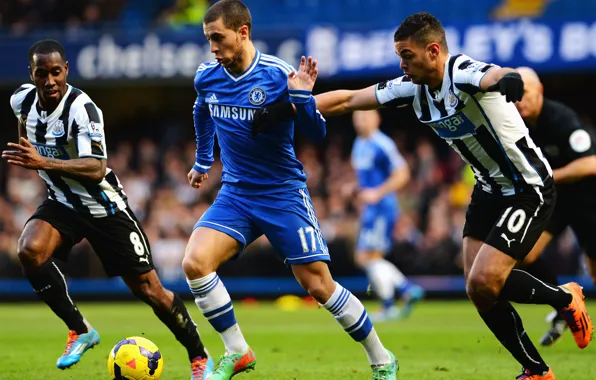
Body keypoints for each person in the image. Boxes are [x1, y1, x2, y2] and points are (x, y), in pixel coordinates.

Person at [298, 12, 592, 380]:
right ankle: (536, 369)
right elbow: (347, 100)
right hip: (488, 189)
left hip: (526, 188)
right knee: (478, 289)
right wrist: (291, 106)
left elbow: (493, 74)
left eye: (407, 55)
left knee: (485, 281)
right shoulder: (411, 87)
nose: (401, 65)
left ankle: (565, 298)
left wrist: (511, 79)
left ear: (433, 51)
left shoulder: (462, 71)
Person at [181, 1, 398, 379]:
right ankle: (238, 351)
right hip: (236, 193)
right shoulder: (207, 75)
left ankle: (382, 358)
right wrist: (203, 159)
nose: (213, 48)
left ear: (242, 32)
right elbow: (202, 109)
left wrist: (300, 97)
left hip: (282, 193)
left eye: (218, 38)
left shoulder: (278, 75)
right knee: (195, 264)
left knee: (319, 286)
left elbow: (315, 134)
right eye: (208, 40)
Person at [2, 39, 213, 380]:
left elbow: (97, 167)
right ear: (32, 74)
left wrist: (43, 161)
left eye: (57, 72)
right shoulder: (21, 100)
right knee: (29, 250)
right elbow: (23, 127)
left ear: (66, 70)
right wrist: (30, 153)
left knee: (150, 291)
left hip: (104, 208)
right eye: (42, 73)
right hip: (63, 202)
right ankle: (80, 329)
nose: (51, 80)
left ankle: (199, 357)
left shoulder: (83, 109)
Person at [515, 66, 596, 346]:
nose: (518, 101)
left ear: (539, 91)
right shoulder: (518, 125)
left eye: (523, 94)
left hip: (588, 200)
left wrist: (547, 176)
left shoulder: (560, 118)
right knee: (525, 253)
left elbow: (591, 163)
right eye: (514, 96)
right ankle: (564, 305)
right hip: (556, 201)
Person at [350, 109, 424, 321]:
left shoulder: (382, 144)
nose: (360, 121)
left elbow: (402, 174)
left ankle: (391, 303)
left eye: (365, 116)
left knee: (368, 256)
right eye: (357, 118)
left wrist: (377, 193)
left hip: (382, 207)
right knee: (366, 257)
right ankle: (404, 290)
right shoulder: (359, 144)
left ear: (377, 119)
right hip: (371, 209)